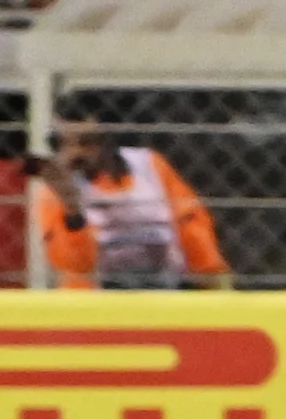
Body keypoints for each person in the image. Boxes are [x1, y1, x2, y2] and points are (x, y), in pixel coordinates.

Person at [34, 110, 234, 291]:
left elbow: (190, 220)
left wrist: (209, 272)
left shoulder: (148, 165)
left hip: (165, 288)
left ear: (106, 139)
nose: (75, 153)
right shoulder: (55, 191)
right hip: (96, 299)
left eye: (87, 142)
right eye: (59, 143)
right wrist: (72, 211)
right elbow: (76, 266)